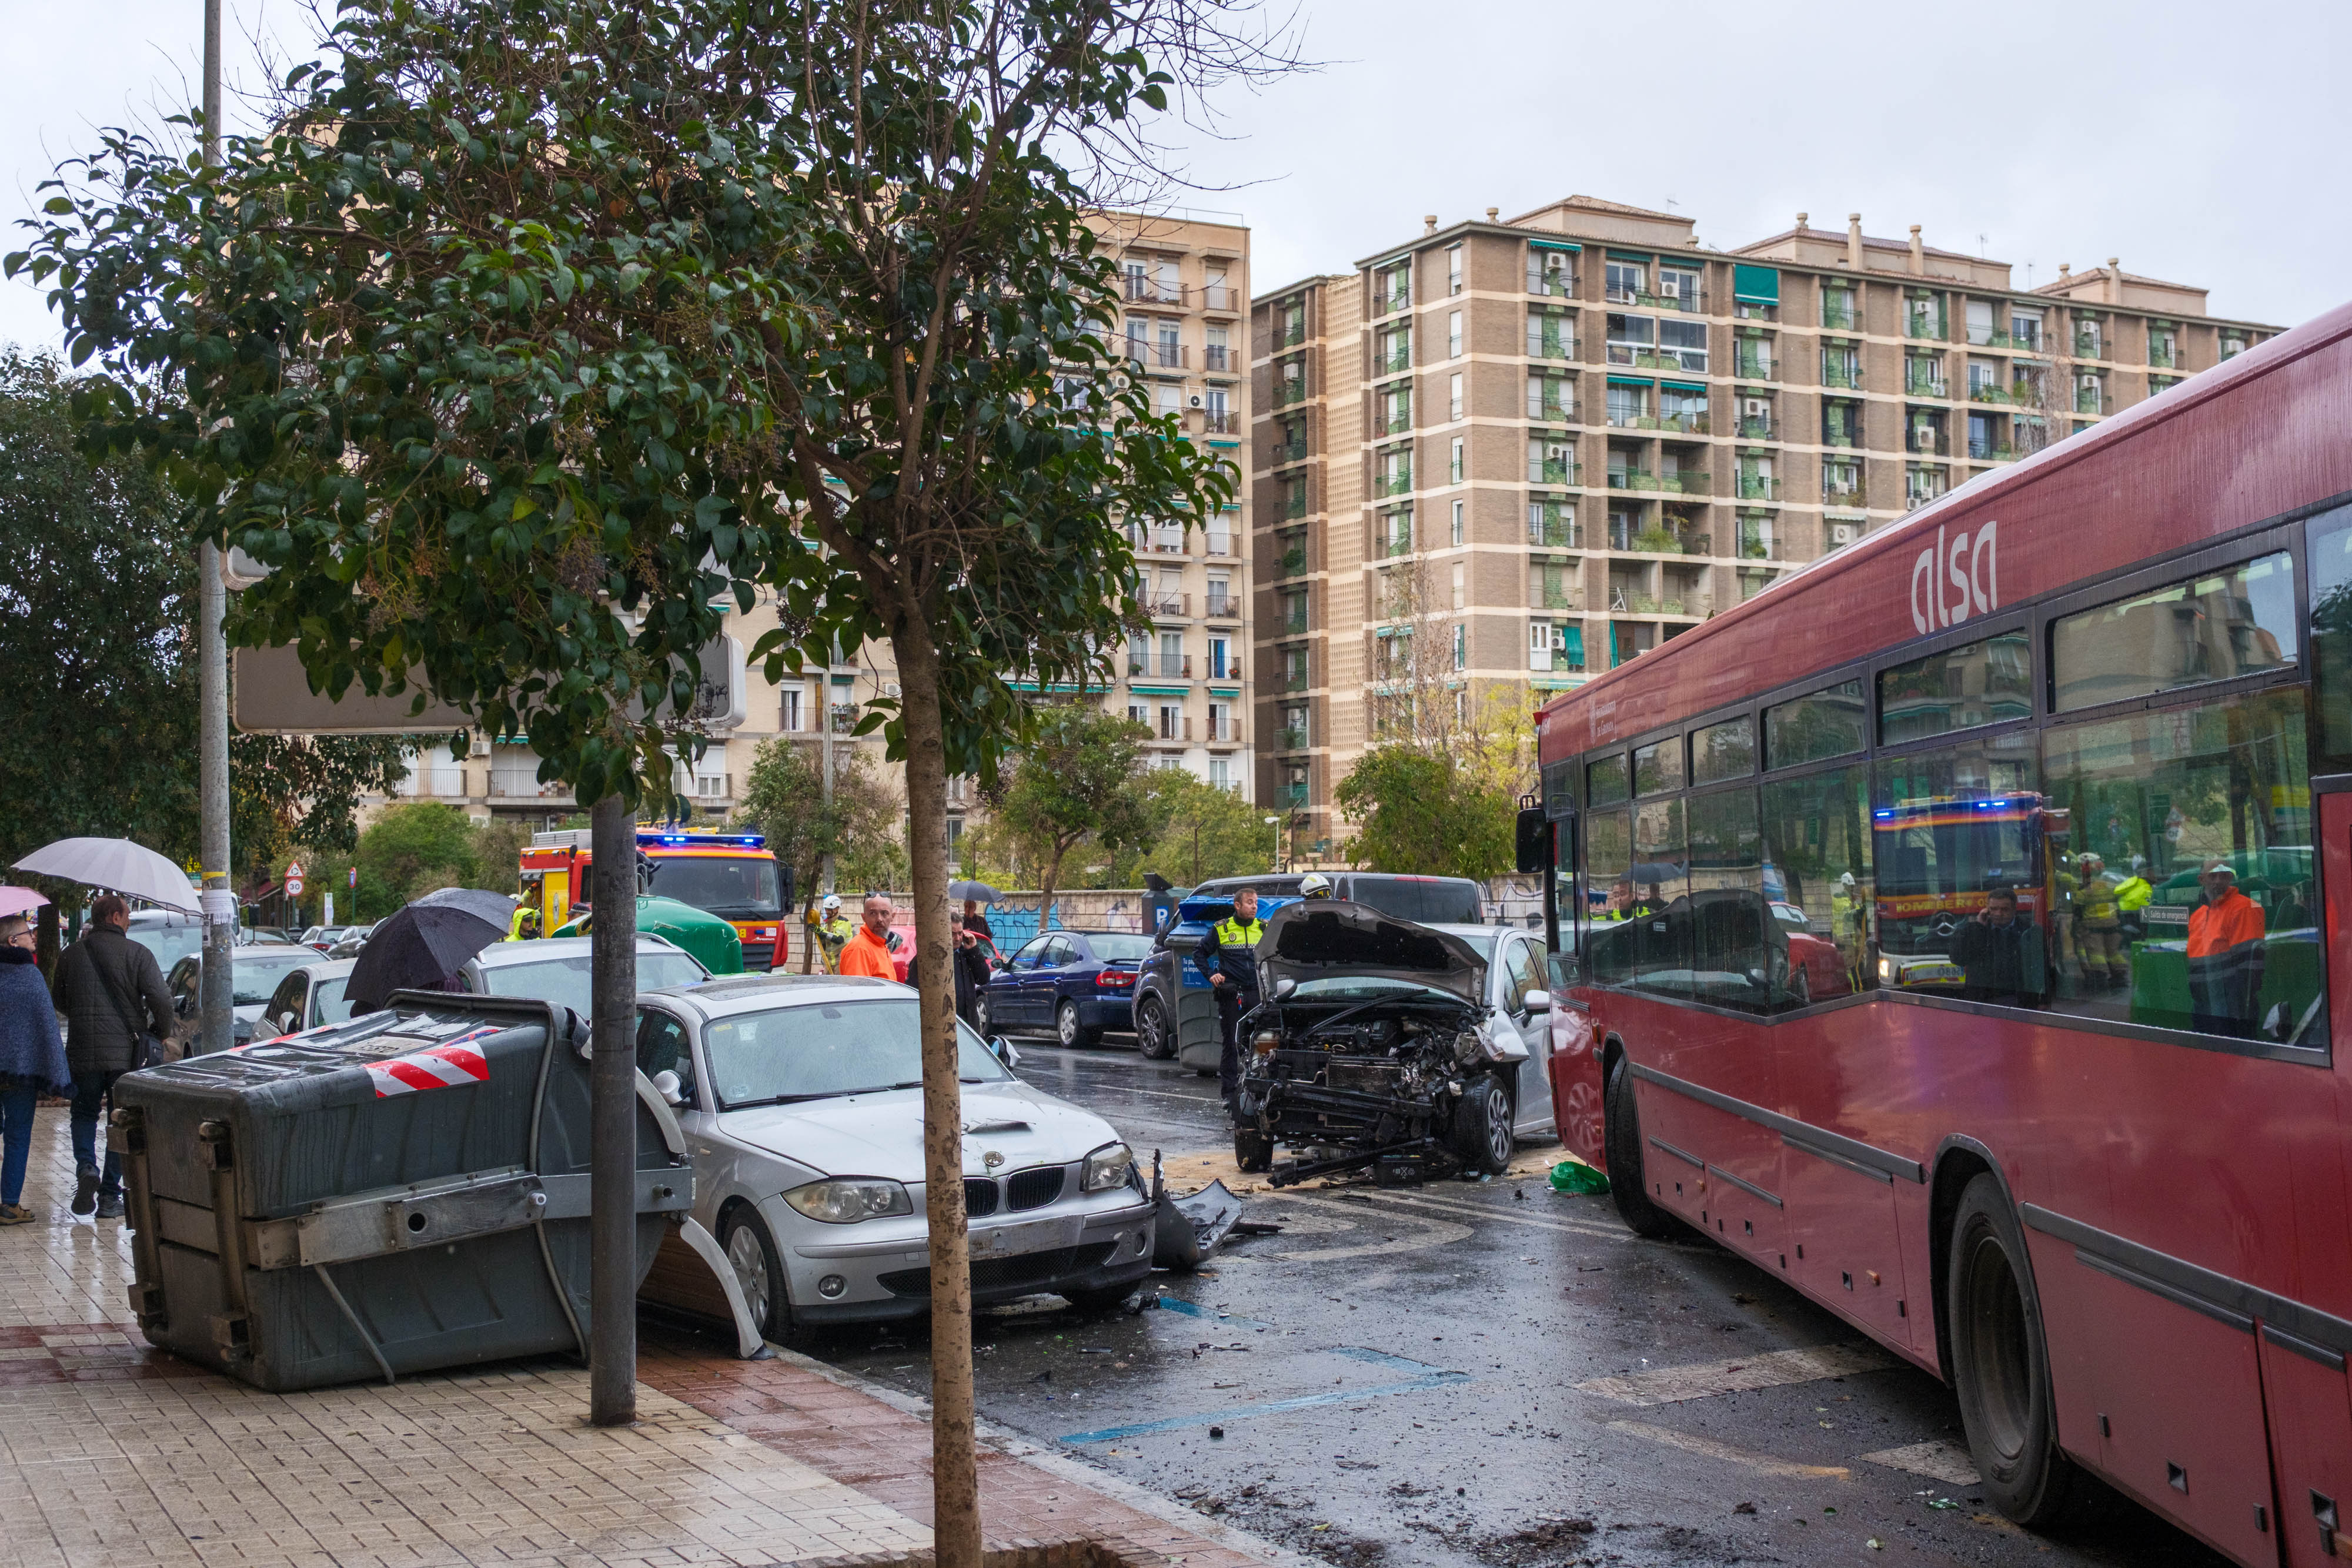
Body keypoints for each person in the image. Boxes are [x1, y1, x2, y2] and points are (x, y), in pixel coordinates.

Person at [50, 894, 172, 1221]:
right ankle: (108, 1196)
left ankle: (86, 1166)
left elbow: (59, 1000)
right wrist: (160, 1031)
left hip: (81, 1050)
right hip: (126, 1053)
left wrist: (82, 1016)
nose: (130, 920)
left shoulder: (71, 954)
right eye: (128, 915)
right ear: (116, 917)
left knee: (83, 1113)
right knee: (120, 1120)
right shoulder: (138, 954)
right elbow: (161, 998)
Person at [0, 915, 72, 1225]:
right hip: (20, 1073)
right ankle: (9, 1205)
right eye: (27, 933)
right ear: (12, 942)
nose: (33, 937)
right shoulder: (30, 976)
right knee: (17, 1136)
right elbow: (46, 1024)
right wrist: (52, 1068)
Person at [1194, 887, 1264, 1117]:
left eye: (1256, 903)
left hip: (1256, 992)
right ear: (1237, 905)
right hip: (1231, 994)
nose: (1254, 906)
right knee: (1232, 1044)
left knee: (1260, 1042)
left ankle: (1259, 1087)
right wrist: (1210, 975)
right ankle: (1229, 1093)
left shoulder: (1263, 928)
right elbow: (1199, 954)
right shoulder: (1222, 929)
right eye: (1250, 903)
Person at [2187, 859, 2267, 1038]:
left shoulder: (2245, 908)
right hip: (2203, 1001)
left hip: (2232, 1004)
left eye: (2224, 876)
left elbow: (2250, 966)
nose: (2218, 881)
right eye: (2212, 876)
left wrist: (2241, 1007)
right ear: (2201, 879)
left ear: (2231, 877)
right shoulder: (2197, 916)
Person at [1948, 885, 2047, 1007]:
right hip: (1983, 999)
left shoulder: (2029, 931)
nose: (1999, 914)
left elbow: (2042, 969)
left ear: (2014, 909)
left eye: (2004, 909)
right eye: (1994, 909)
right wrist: (1979, 927)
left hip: (2020, 999)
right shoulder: (1974, 930)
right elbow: (1958, 958)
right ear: (1987, 909)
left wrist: (2044, 1000)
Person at [2074, 854, 2127, 991]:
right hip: (2113, 925)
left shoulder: (2084, 891)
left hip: (2093, 927)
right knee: (2114, 952)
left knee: (2096, 954)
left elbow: (2077, 909)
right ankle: (2120, 977)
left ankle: (2099, 980)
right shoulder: (2112, 886)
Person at [837, 893, 899, 978]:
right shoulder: (859, 949)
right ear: (864, 917)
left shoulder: (881, 944)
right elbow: (858, 990)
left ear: (893, 916)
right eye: (873, 913)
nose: (879, 919)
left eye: (884, 913)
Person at [811, 894, 854, 974]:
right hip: (829, 963)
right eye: (826, 909)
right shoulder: (827, 924)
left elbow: (839, 939)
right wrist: (819, 934)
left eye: (829, 910)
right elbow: (825, 945)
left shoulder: (844, 922)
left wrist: (821, 932)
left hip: (840, 962)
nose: (827, 912)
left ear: (836, 909)